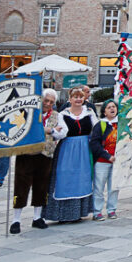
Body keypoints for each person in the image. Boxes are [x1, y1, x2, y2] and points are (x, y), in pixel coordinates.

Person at [11, 88, 59, 233]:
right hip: (26, 154)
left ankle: (37, 217)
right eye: (46, 100)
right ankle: (16, 219)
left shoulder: (56, 115)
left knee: (42, 185)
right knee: (21, 185)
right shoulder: (28, 112)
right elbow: (17, 128)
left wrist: (52, 132)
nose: (48, 104)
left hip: (45, 154)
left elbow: (62, 132)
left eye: (51, 102)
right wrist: (47, 129)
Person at [44, 87, 94, 223]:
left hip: (84, 149)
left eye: (80, 97)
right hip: (67, 149)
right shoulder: (63, 114)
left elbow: (95, 130)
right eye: (75, 97)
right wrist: (52, 131)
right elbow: (59, 132)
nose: (78, 99)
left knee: (82, 179)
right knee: (65, 179)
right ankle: (63, 214)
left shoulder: (89, 113)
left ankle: (79, 212)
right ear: (70, 99)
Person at [89, 100, 120, 220]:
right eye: (109, 107)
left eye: (114, 107)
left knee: (114, 187)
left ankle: (112, 210)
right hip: (102, 161)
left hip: (117, 162)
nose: (112, 109)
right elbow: (94, 144)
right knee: (99, 187)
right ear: (104, 111)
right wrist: (107, 156)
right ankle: (97, 211)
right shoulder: (100, 125)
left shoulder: (121, 124)